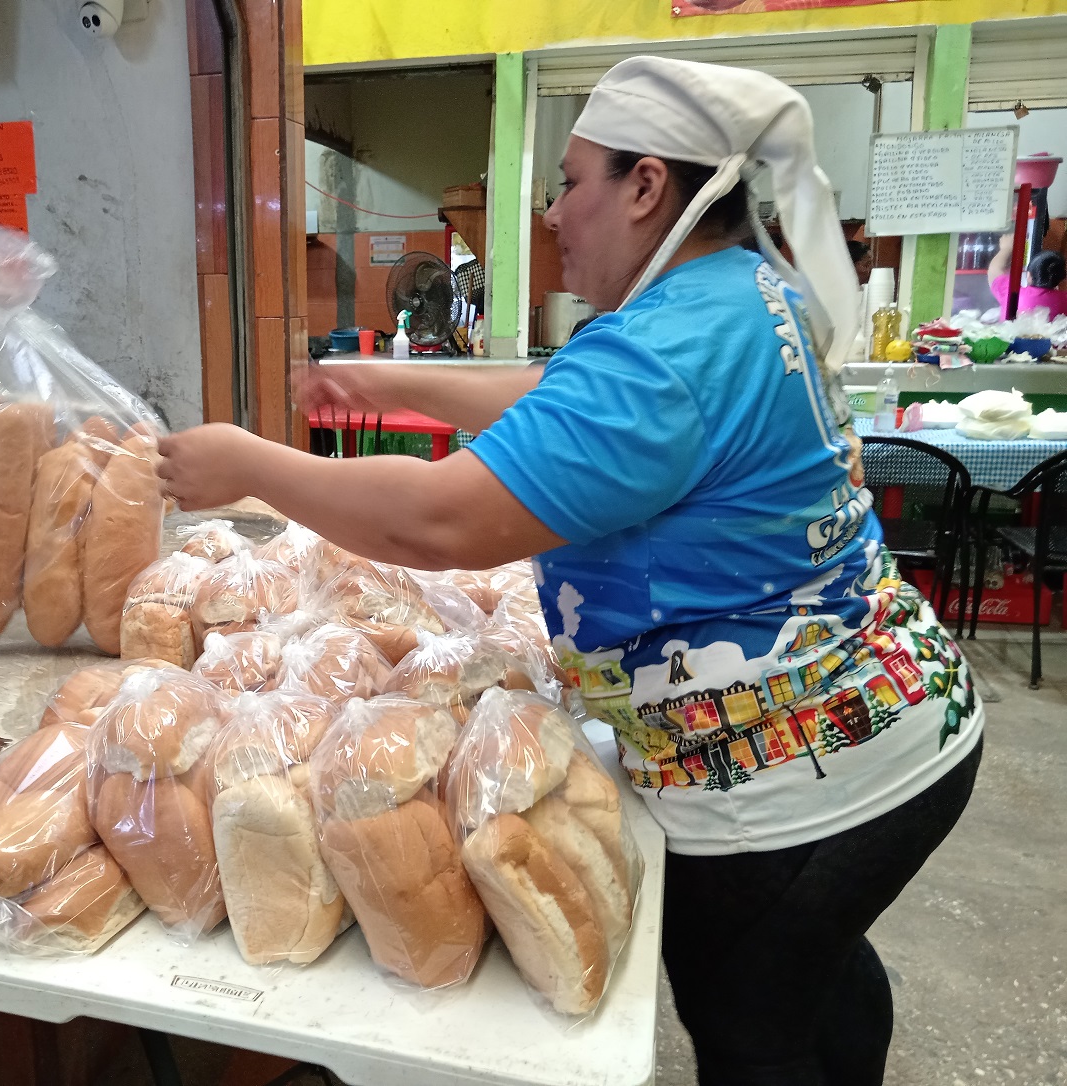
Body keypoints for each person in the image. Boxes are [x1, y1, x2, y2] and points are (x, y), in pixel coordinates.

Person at [157, 57, 980, 1086]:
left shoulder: (666, 350)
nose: (552, 215)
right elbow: (569, 398)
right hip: (905, 712)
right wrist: (387, 381)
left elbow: (437, 524)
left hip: (793, 771)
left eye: (571, 181)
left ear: (644, 188)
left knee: (750, 1018)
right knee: (814, 965)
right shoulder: (739, 293)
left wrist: (247, 464)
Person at [986, 233, 1067, 319]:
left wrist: (1006, 248)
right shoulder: (1064, 300)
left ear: (1029, 275)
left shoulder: (1013, 294)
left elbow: (994, 270)